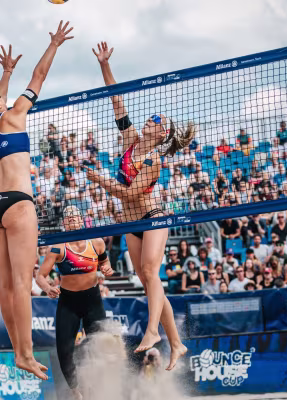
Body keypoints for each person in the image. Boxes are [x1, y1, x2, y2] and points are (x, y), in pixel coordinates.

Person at [0, 22, 73, 381]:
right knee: (23, 284)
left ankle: (17, 350)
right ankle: (24, 353)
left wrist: (5, 73)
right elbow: (39, 74)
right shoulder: (15, 115)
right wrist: (54, 43)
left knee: (7, 285)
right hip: (19, 204)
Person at [85, 41, 192, 370]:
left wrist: (100, 180)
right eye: (151, 116)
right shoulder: (132, 141)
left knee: (149, 272)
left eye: (157, 119)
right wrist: (104, 65)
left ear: (162, 134)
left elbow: (130, 194)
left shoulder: (156, 159)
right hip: (131, 222)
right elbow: (117, 101)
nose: (150, 119)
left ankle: (152, 333)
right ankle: (177, 343)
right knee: (148, 281)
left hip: (152, 216)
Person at [35, 206, 114, 400]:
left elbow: (107, 264)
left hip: (93, 300)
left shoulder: (96, 242)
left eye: (75, 216)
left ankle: (99, 389)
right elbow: (40, 276)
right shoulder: (58, 247)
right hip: (68, 302)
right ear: (64, 223)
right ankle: (76, 394)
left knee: (101, 347)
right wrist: (47, 288)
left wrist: (107, 269)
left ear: (81, 220)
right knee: (64, 351)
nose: (71, 220)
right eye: (68, 217)